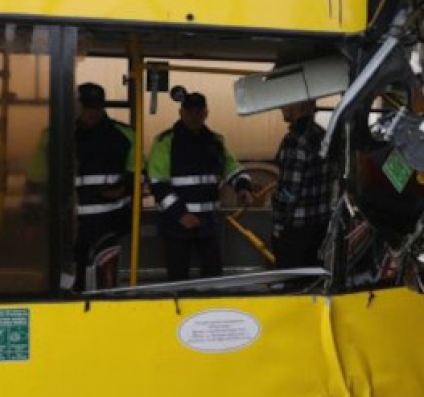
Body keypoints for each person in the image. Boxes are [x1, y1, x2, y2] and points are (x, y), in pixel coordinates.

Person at [147, 92, 253, 281]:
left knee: (213, 276)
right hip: (176, 224)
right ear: (181, 112)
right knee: (178, 277)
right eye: (190, 111)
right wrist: (181, 214)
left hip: (209, 223)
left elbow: (233, 169)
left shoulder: (216, 141)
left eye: (199, 111)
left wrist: (243, 188)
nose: (194, 116)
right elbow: (157, 184)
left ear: (206, 113)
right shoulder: (165, 142)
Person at [72, 83, 138, 291]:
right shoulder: (58, 135)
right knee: (70, 283)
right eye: (87, 107)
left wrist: (122, 189)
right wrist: (31, 219)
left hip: (111, 224)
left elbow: (138, 174)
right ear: (77, 107)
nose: (92, 112)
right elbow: (38, 178)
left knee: (107, 283)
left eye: (97, 107)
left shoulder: (125, 135)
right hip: (70, 226)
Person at [272, 100, 337, 268]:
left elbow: (289, 193)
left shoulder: (294, 141)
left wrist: (278, 225)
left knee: (291, 281)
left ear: (297, 104)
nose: (280, 106)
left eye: (284, 101)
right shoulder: (323, 135)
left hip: (296, 233)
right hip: (321, 228)